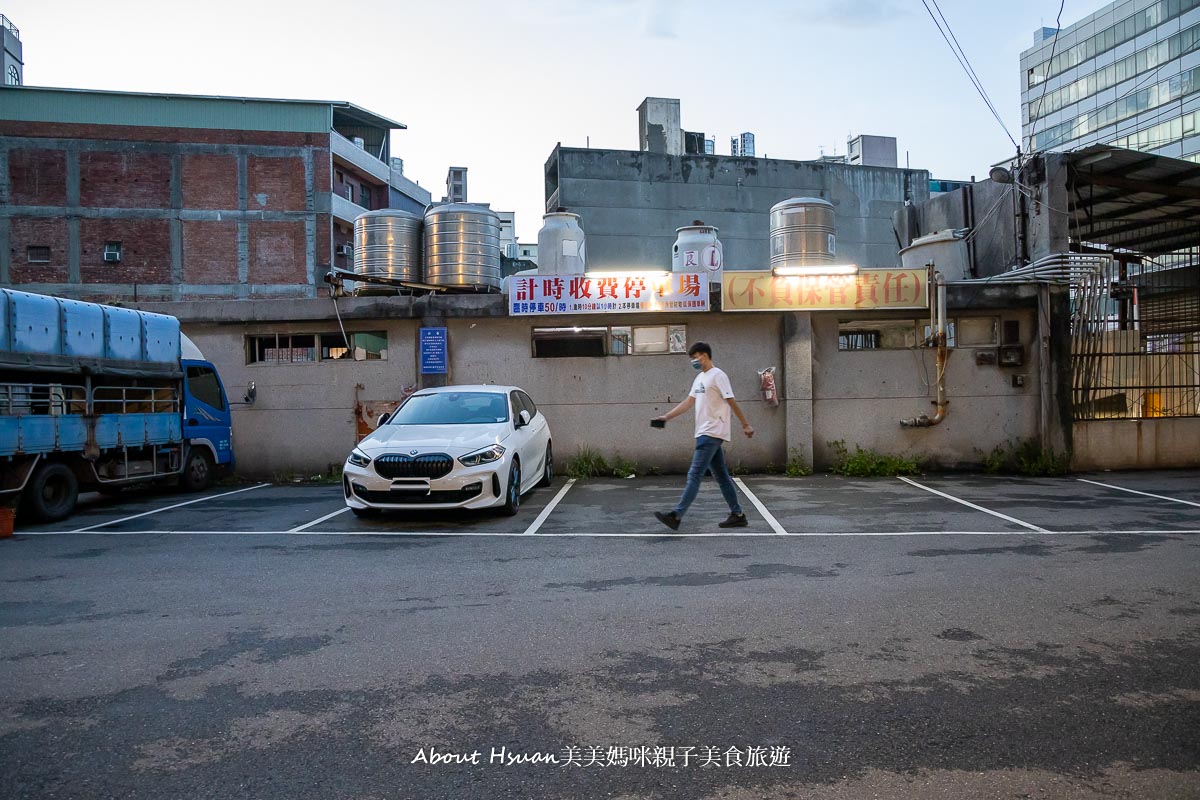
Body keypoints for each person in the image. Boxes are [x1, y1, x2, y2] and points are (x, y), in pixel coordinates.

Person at [652, 342, 754, 530]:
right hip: (704, 432)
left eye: (695, 357)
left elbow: (730, 400)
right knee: (722, 476)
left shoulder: (718, 376)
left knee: (694, 474)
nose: (693, 361)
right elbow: (688, 402)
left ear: (705, 356)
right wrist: (666, 416)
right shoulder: (700, 378)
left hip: (712, 431)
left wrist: (745, 424)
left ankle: (676, 515)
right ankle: (738, 514)